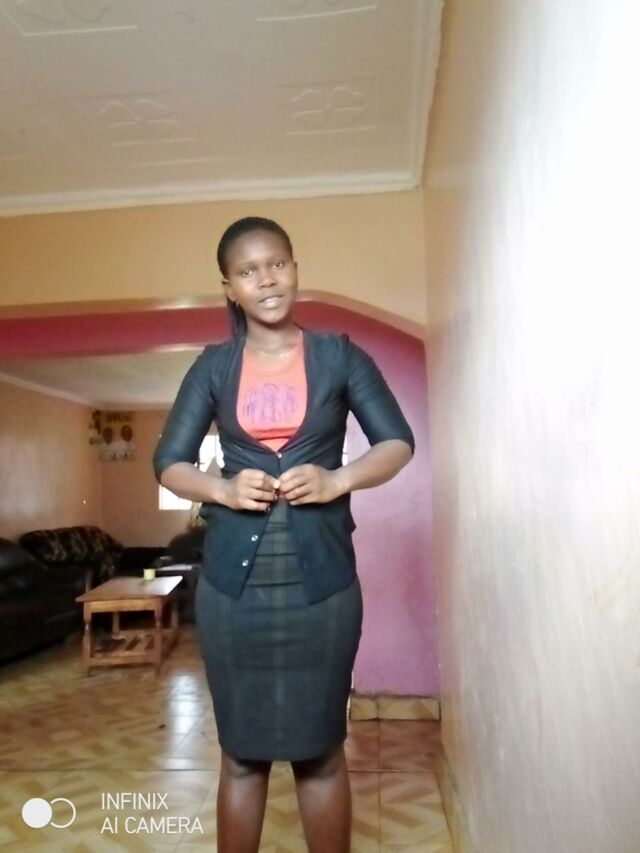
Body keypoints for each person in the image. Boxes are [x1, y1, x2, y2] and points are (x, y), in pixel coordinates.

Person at [153, 216, 414, 852]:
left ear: (295, 269)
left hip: (323, 589)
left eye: (276, 264)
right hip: (230, 594)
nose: (266, 280)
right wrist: (220, 489)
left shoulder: (340, 356)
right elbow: (169, 463)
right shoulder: (213, 368)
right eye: (248, 271)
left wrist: (338, 478)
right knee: (241, 757)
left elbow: (397, 443)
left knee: (320, 753)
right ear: (229, 287)